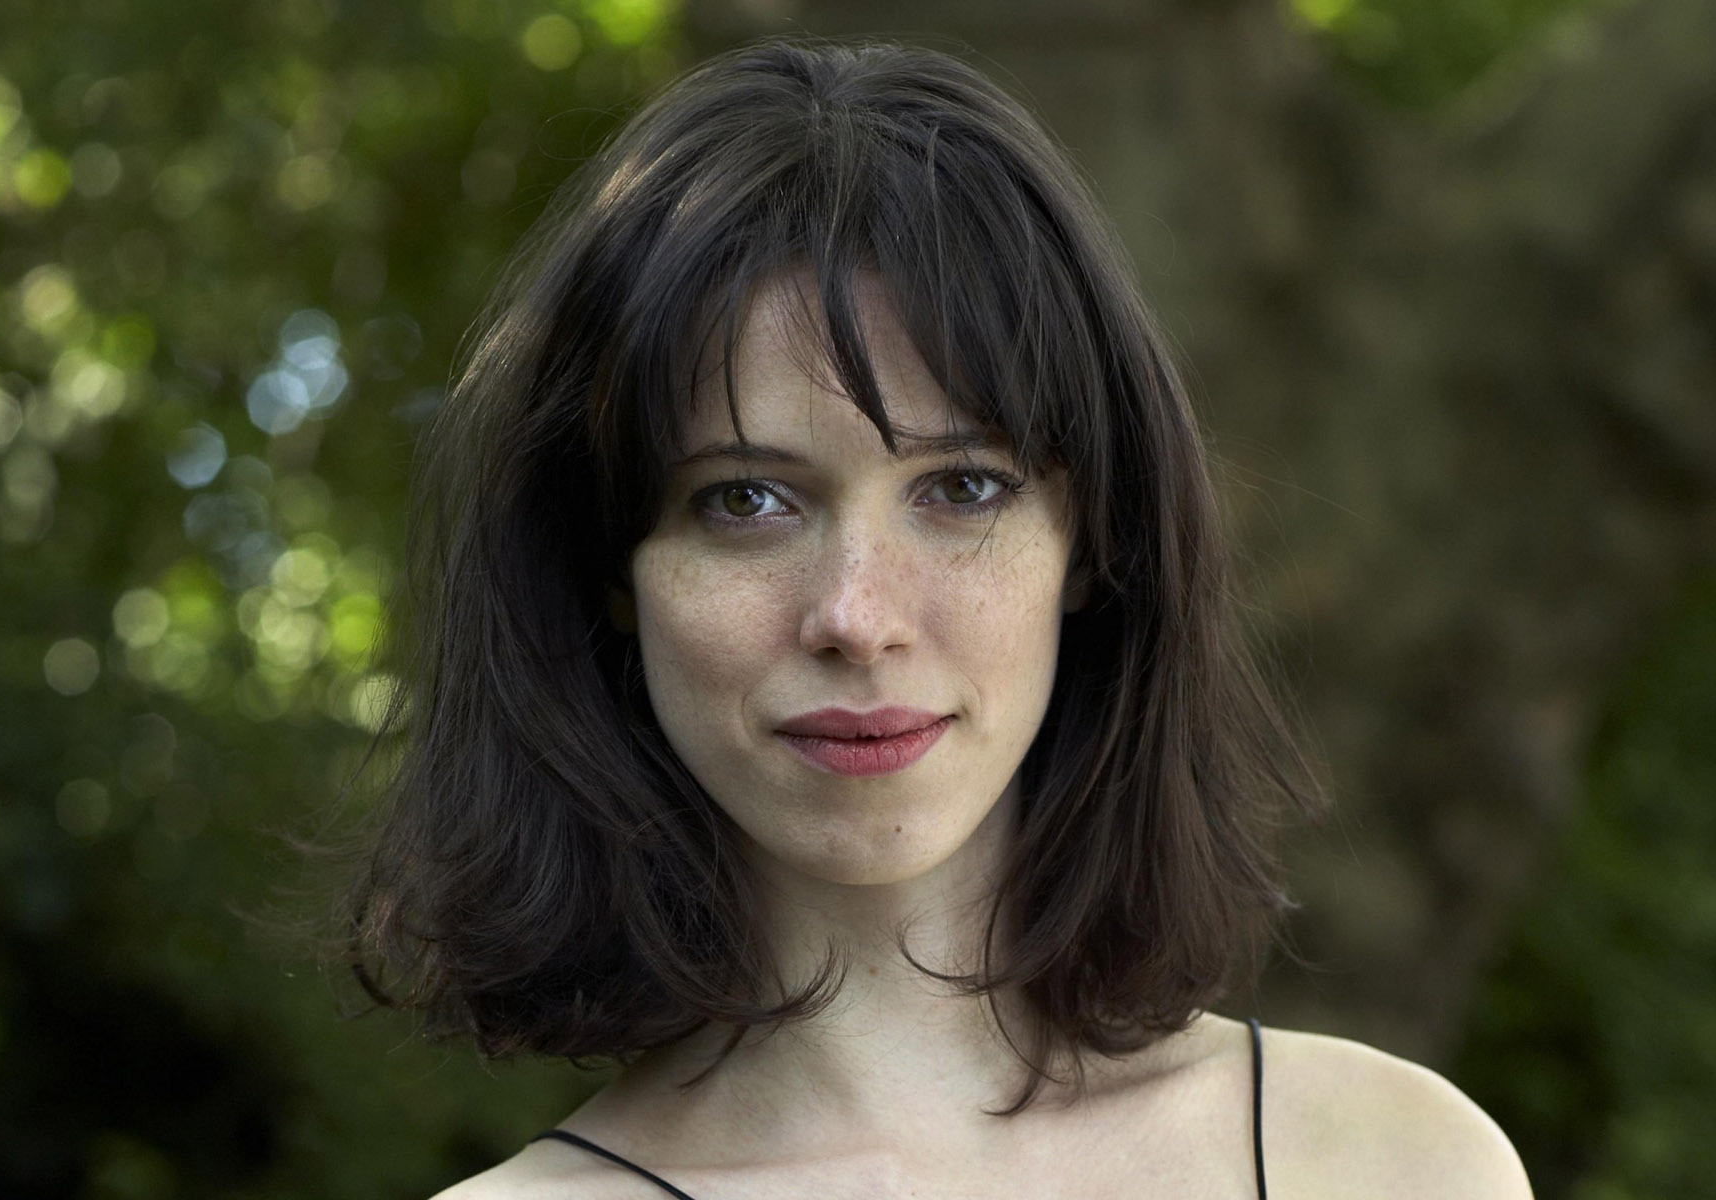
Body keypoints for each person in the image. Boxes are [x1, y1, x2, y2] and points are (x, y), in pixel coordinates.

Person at [344, 37, 1533, 1200]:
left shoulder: (1397, 1165)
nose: (856, 617)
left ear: (1091, 544)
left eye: (962, 487)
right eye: (745, 501)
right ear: (609, 567)